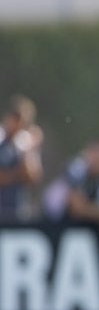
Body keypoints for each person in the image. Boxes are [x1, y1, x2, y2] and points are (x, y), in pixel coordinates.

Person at [0, 95, 43, 223]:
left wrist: (28, 149)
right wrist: (17, 176)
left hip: (18, 210)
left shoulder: (24, 145)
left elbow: (33, 177)